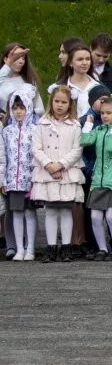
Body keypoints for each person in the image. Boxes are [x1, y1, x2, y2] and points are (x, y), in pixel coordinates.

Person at [32, 85, 84, 262]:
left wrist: (61, 165)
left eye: (64, 102)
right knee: (51, 210)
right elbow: (36, 148)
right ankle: (51, 246)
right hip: (47, 172)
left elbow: (77, 150)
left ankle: (67, 247)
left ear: (70, 104)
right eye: (56, 101)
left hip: (67, 172)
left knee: (66, 210)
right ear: (51, 102)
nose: (59, 105)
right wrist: (49, 165)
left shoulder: (75, 125)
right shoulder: (41, 123)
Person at [81, 97, 112, 260]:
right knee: (95, 217)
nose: (105, 116)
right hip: (98, 180)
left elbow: (111, 147)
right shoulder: (99, 130)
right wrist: (88, 124)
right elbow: (84, 140)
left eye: (109, 113)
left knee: (110, 216)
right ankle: (102, 248)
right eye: (102, 113)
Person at [0, 94, 37, 260]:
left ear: (28, 108)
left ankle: (30, 249)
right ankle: (19, 248)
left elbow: (36, 155)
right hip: (12, 181)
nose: (18, 112)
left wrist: (35, 177)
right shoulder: (7, 131)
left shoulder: (34, 130)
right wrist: (3, 180)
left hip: (29, 180)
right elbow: (3, 156)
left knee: (29, 213)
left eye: (22, 108)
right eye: (15, 108)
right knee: (16, 213)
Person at [52, 41, 101, 119]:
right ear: (70, 63)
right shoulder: (58, 87)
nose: (85, 63)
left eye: (87, 59)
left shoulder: (98, 87)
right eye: (80, 59)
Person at [0, 43, 44, 117]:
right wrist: (9, 63)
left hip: (25, 126)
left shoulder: (28, 81)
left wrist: (24, 113)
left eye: (23, 58)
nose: (21, 62)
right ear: (5, 59)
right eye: (17, 58)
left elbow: (41, 109)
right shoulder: (2, 79)